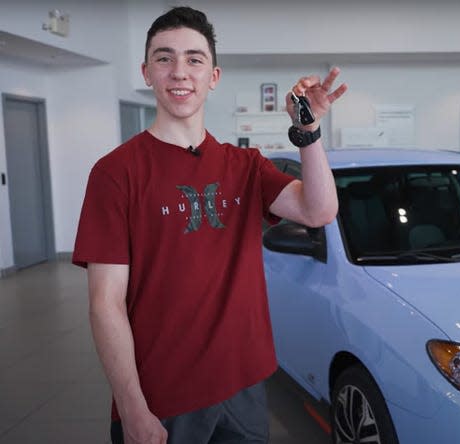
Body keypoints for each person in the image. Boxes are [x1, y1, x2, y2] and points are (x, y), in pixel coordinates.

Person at [72, 6, 346, 443]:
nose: (180, 71)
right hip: (164, 394)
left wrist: (307, 131)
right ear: (147, 72)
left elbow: (319, 211)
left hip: (244, 383)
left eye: (194, 59)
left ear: (213, 76)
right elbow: (106, 304)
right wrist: (131, 407)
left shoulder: (245, 166)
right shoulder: (116, 173)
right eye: (164, 58)